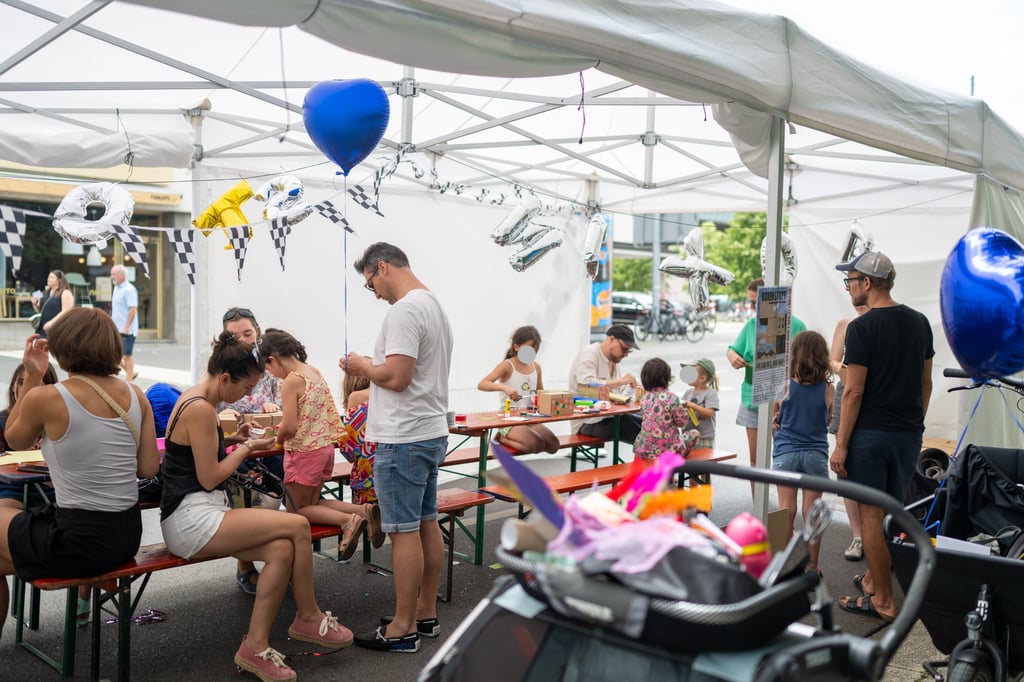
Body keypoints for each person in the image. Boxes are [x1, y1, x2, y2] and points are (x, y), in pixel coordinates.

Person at [160, 331, 354, 680]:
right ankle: (308, 616)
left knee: (281, 549)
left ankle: (255, 646)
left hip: (200, 511)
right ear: (224, 378)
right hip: (190, 518)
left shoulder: (197, 399)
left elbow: (197, 455)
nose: (246, 396)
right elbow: (208, 477)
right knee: (296, 524)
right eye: (246, 388)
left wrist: (233, 438)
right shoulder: (202, 409)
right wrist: (246, 448)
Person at [0, 309, 160, 643]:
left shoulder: (47, 397)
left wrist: (31, 374)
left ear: (62, 347)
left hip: (78, 539)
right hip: (126, 535)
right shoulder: (136, 394)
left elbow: (14, 439)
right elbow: (148, 469)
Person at [342, 241, 452, 653]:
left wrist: (360, 367)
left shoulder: (405, 309)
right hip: (427, 429)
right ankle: (424, 614)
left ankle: (403, 628)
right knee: (425, 522)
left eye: (371, 283)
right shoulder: (433, 303)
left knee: (403, 531)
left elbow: (397, 376)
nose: (374, 293)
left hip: (402, 436)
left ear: (382, 267)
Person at [830, 251, 933, 623]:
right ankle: (875, 579)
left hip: (870, 437)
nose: (849, 288)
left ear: (868, 283)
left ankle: (885, 602)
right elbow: (926, 383)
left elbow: (853, 392)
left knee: (871, 517)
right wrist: (915, 426)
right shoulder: (920, 322)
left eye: (851, 280)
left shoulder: (862, 327)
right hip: (907, 436)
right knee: (891, 511)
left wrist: (841, 444)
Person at [256, 328, 376, 560]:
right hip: (324, 449)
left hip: (304, 453)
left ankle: (347, 521)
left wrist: (275, 440)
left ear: (272, 360)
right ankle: (363, 511)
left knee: (297, 511)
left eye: (268, 368)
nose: (270, 373)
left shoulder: (291, 381)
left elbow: (289, 426)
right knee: (312, 503)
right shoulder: (314, 372)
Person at [218, 307, 284, 596]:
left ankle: (285, 561)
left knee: (281, 498)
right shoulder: (221, 370)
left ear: (258, 333)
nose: (243, 340)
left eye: (248, 333)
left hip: (272, 448)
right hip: (237, 450)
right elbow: (218, 412)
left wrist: (275, 408)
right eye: (235, 336)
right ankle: (245, 566)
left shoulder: (271, 368)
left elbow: (286, 406)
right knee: (242, 504)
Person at [726, 278, 806, 493]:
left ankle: (782, 511)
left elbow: (806, 366)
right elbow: (733, 349)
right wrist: (733, 356)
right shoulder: (752, 325)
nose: (752, 308)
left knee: (783, 461)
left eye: (755, 303)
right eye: (751, 303)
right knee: (757, 462)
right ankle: (760, 512)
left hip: (784, 401)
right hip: (753, 399)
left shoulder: (795, 326)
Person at [771, 330, 835, 576]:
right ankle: (811, 565)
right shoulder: (828, 388)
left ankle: (784, 564)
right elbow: (828, 420)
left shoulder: (783, 385)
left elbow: (777, 420)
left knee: (785, 510)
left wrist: (779, 420)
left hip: (786, 452)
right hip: (816, 454)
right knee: (812, 512)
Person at [477, 325, 559, 454]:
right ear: (516, 347)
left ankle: (506, 438)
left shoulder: (536, 367)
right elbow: (482, 384)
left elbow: (540, 392)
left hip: (529, 416)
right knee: (536, 444)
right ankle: (501, 438)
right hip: (509, 417)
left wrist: (553, 399)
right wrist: (504, 387)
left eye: (535, 351)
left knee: (553, 445)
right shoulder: (507, 365)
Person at [829, 303, 870, 562]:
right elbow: (832, 360)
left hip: (872, 397)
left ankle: (874, 533)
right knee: (844, 466)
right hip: (846, 393)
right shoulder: (845, 324)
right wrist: (845, 371)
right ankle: (857, 535)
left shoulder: (882, 324)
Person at [567, 324, 642, 442]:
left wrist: (633, 388)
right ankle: (665, 456)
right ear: (611, 339)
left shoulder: (613, 361)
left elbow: (616, 392)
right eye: (624, 349)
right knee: (641, 429)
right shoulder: (590, 353)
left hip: (609, 417)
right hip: (587, 422)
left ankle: (663, 455)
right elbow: (585, 384)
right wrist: (621, 381)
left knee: (648, 420)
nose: (626, 354)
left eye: (629, 351)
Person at [0, 362, 60, 507]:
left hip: (52, 489)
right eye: (22, 383)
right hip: (11, 489)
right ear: (14, 386)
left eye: (37, 385)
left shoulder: (57, 423)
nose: (27, 390)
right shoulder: (2, 422)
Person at [339, 373, 384, 549]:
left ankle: (366, 520)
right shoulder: (393, 391)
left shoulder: (357, 397)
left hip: (369, 483)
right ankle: (373, 523)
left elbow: (349, 447)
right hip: (398, 470)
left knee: (359, 469)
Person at [632, 358, 700, 461]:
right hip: (668, 451)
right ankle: (676, 462)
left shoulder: (644, 398)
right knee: (694, 434)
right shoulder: (671, 398)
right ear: (666, 377)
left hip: (644, 450)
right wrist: (684, 412)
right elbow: (680, 423)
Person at [679, 358, 720, 449]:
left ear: (702, 378)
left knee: (705, 461)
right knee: (690, 461)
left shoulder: (710, 393)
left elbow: (709, 413)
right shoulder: (688, 393)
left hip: (704, 437)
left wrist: (693, 405)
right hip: (687, 437)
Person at [110, 265, 139, 382]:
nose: (112, 277)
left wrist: (127, 327)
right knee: (114, 354)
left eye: (114, 274)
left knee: (127, 355)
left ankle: (129, 381)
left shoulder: (129, 289)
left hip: (127, 329)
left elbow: (132, 309)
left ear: (122, 275)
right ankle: (132, 372)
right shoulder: (116, 288)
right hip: (116, 328)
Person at [32, 270, 74, 339]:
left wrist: (51, 323)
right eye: (48, 277)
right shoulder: (44, 293)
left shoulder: (65, 292)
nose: (48, 279)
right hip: (41, 330)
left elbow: (66, 312)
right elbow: (40, 311)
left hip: (57, 330)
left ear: (59, 280)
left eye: (51, 277)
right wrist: (34, 304)